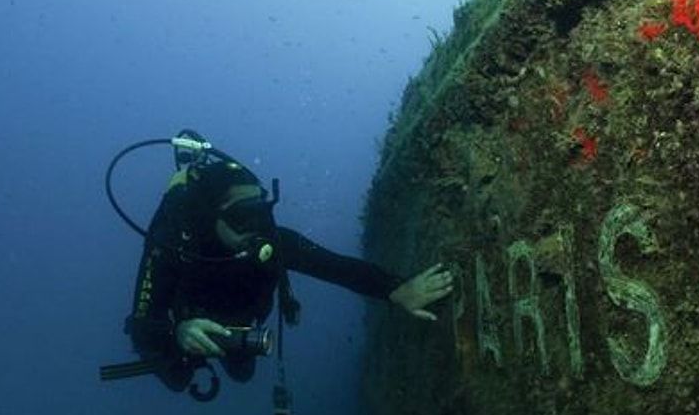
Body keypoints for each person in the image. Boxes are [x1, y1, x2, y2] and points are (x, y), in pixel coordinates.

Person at [123, 130, 452, 393]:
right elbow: (142, 326)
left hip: (242, 321)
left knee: (242, 372)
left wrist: (396, 291)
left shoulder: (271, 238)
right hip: (188, 328)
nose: (255, 229)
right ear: (209, 218)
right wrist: (179, 333)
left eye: (260, 213)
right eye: (241, 218)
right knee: (177, 380)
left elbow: (334, 266)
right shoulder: (171, 247)